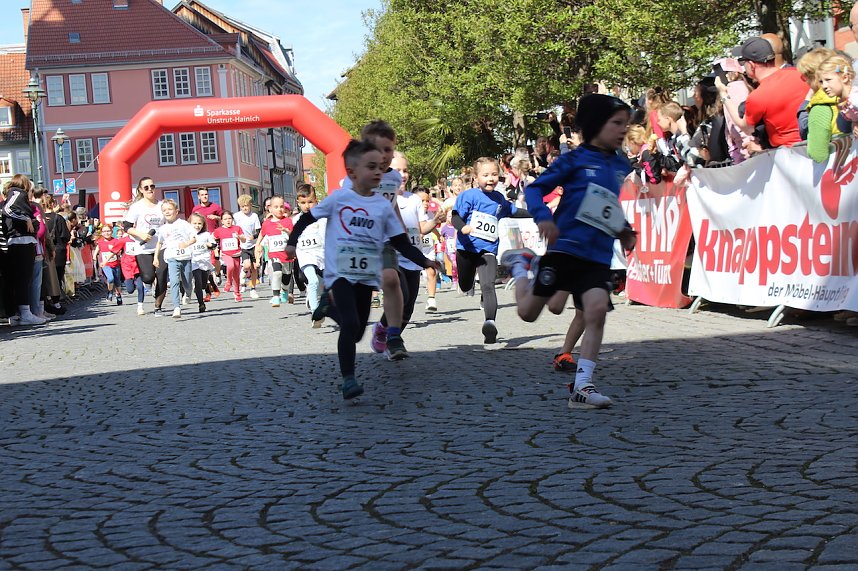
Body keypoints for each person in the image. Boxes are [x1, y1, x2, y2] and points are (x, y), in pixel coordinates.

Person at [501, 94, 637, 409]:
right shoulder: (573, 160)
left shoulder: (620, 163)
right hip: (564, 249)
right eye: (616, 123)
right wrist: (545, 218)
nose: (622, 131)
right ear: (594, 126)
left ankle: (583, 386)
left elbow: (607, 204)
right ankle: (522, 267)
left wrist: (623, 231)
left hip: (597, 255)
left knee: (597, 309)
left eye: (625, 124)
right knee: (529, 313)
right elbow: (534, 189)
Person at [286, 139, 440, 400]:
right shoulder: (339, 199)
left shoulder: (382, 206)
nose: (379, 172)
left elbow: (401, 242)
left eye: (381, 167)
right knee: (351, 324)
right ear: (352, 172)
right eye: (372, 167)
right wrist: (292, 243)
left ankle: (327, 305)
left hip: (366, 276)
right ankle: (348, 379)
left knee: (357, 332)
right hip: (340, 272)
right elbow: (307, 218)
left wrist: (424, 261)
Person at [337, 121, 408, 359]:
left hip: (385, 239)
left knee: (392, 279)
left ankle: (393, 336)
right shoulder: (354, 179)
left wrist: (401, 230)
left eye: (389, 150)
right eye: (379, 150)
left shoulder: (395, 178)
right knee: (358, 314)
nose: (385, 156)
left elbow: (392, 204)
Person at [452, 156, 531, 344]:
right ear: (475, 177)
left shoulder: (499, 199)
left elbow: (515, 212)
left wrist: (538, 213)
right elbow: (455, 217)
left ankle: (490, 323)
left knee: (488, 285)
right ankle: (469, 285)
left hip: (487, 248)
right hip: (466, 248)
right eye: (485, 175)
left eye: (494, 174)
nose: (490, 178)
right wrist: (462, 227)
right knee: (464, 285)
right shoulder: (468, 196)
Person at [718, 36, 808, 148]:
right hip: (815, 146)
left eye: (743, 62)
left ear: (751, 65)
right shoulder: (800, 75)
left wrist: (723, 94)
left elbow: (746, 127)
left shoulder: (758, 96)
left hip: (788, 155)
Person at [1, 174, 44, 325]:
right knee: (23, 279)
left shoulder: (14, 194)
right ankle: (25, 313)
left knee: (15, 280)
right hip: (22, 241)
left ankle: (16, 314)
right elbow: (8, 209)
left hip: (16, 241)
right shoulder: (19, 193)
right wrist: (26, 219)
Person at [122, 177, 167, 315]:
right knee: (148, 277)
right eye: (146, 187)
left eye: (152, 186)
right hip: (143, 247)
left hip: (161, 246)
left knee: (162, 274)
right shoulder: (137, 207)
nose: (150, 190)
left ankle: (157, 306)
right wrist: (140, 234)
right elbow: (127, 227)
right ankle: (148, 284)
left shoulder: (162, 205)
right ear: (141, 190)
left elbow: (169, 222)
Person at [804, 53, 853, 163]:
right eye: (821, 81)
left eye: (828, 80)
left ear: (845, 77)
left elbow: (818, 153)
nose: (824, 86)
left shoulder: (820, 107)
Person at [153, 199, 197, 318]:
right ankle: (176, 307)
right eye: (164, 210)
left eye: (170, 209)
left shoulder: (183, 224)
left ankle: (188, 293)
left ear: (176, 211)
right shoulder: (162, 228)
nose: (167, 212)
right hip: (171, 257)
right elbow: (159, 243)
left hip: (185, 257)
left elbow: (194, 238)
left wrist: (186, 244)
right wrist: (156, 257)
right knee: (174, 281)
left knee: (187, 282)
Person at [293, 182, 326, 326]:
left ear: (316, 201)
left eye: (310, 202)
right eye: (303, 202)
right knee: (313, 281)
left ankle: (312, 298)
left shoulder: (322, 218)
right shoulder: (295, 220)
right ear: (298, 203)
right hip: (305, 256)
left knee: (322, 285)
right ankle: (315, 313)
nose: (307, 205)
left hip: (321, 256)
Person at [254, 196, 294, 308]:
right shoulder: (267, 223)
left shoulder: (287, 221)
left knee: (286, 277)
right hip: (274, 254)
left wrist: (286, 230)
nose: (279, 209)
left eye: (281, 206)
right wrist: (258, 245)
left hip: (287, 256)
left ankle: (284, 291)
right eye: (276, 207)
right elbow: (262, 234)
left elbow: (293, 235)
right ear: (270, 209)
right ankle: (276, 296)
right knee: (277, 272)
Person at [212, 211, 246, 301]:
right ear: (222, 221)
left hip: (237, 253)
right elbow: (212, 238)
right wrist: (215, 247)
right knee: (230, 266)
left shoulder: (237, 228)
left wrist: (239, 237)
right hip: (226, 253)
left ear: (232, 219)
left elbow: (244, 240)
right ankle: (228, 283)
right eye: (225, 219)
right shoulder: (219, 230)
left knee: (236, 275)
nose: (228, 221)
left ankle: (237, 293)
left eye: (229, 218)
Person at [233, 194, 261, 300]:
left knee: (255, 268)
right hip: (243, 245)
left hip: (253, 244)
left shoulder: (254, 216)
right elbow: (232, 229)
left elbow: (258, 231)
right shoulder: (236, 216)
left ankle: (253, 289)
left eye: (247, 206)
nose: (245, 208)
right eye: (242, 206)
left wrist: (252, 236)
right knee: (247, 265)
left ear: (250, 205)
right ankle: (243, 273)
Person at [189, 213, 216, 313]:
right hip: (194, 262)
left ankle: (200, 289)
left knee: (204, 284)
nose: (197, 226)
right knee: (198, 282)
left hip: (205, 262)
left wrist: (210, 245)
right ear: (190, 224)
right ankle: (201, 303)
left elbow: (214, 244)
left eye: (199, 223)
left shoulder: (206, 235)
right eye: (194, 223)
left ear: (203, 224)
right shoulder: (188, 235)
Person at [95, 223, 123, 306]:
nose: (106, 233)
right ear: (101, 233)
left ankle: (118, 294)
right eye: (104, 231)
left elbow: (119, 252)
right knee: (110, 278)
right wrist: (94, 256)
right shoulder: (100, 242)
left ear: (111, 231)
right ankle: (110, 291)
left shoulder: (116, 241)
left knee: (117, 282)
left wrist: (115, 250)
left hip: (116, 264)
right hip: (106, 264)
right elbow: (97, 249)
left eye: (108, 231)